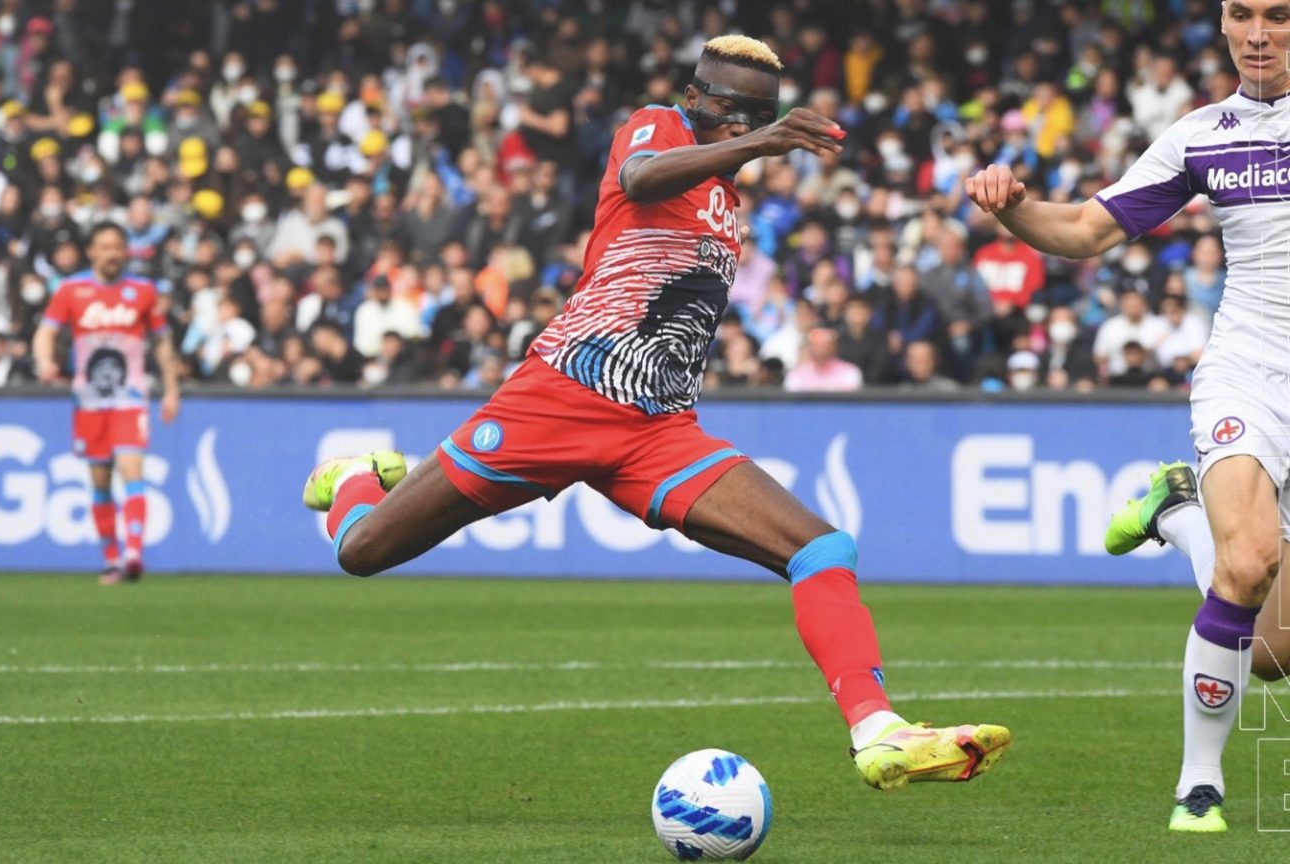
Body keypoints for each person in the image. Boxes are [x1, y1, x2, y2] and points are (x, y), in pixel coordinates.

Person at [304, 34, 1009, 791]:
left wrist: (750, 147)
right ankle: (353, 477)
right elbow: (639, 180)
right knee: (363, 551)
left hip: (656, 429)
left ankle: (878, 732)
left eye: (757, 114)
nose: (738, 123)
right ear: (697, 98)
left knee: (822, 549)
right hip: (562, 399)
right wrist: (763, 141)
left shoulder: (726, 198)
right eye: (730, 107)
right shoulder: (654, 127)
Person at [965, 0, 1289, 831]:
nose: (1258, 34)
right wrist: (1011, 207)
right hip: (1249, 374)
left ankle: (1177, 514)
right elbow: (1085, 229)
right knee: (1249, 561)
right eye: (1242, 15)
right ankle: (1198, 787)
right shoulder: (1202, 135)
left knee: (1274, 654)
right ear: (1223, 25)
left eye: (1280, 16)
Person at [32, 221, 180, 584]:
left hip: (130, 398)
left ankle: (134, 555)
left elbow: (161, 341)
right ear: (92, 252)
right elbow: (45, 332)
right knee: (100, 481)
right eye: (105, 246)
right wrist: (45, 361)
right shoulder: (72, 290)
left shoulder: (143, 291)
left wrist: (172, 388)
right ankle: (112, 559)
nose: (112, 253)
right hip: (89, 401)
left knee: (132, 468)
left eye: (117, 246)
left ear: (126, 251)